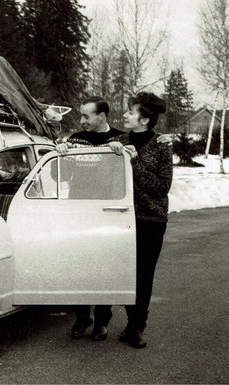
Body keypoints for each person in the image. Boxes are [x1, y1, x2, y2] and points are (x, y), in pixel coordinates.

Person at [56, 96, 124, 341]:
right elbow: (59, 178)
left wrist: (120, 155)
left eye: (86, 116)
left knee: (105, 266)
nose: (81, 120)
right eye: (81, 115)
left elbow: (128, 176)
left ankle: (103, 322)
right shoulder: (75, 140)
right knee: (80, 265)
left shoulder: (120, 139)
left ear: (102, 116)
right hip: (79, 211)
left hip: (107, 212)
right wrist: (61, 155)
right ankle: (82, 317)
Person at [108, 92, 172, 348]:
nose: (124, 115)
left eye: (131, 112)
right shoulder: (118, 141)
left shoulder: (161, 146)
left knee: (144, 276)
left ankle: (136, 327)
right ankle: (131, 324)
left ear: (145, 120)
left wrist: (133, 161)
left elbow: (160, 187)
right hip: (122, 219)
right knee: (126, 273)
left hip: (151, 220)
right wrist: (112, 150)